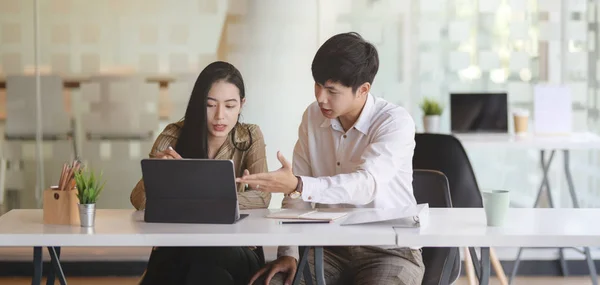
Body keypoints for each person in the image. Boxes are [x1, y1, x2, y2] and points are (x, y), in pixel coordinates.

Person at [238, 32, 425, 285]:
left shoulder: (394, 122)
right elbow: (297, 200)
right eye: (317, 85)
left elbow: (365, 185)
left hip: (390, 249)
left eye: (331, 91)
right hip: (328, 249)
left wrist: (299, 185)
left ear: (363, 90)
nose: (320, 97)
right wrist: (289, 254)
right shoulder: (313, 117)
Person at [131, 61, 271, 285]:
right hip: (182, 248)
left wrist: (189, 200)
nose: (219, 116)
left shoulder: (250, 136)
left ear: (242, 105)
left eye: (230, 106)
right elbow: (139, 200)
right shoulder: (174, 135)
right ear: (198, 104)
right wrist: (163, 176)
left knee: (205, 256)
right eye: (210, 105)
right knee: (203, 270)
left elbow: (262, 197)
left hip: (234, 249)